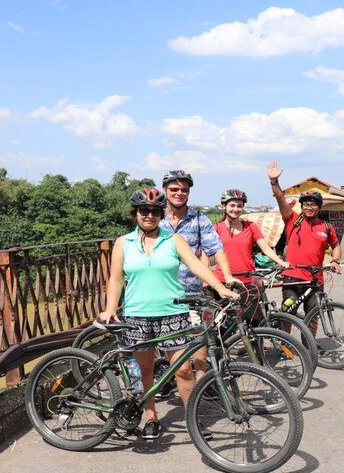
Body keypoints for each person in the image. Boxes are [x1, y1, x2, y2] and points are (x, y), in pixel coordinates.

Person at [99, 188, 239, 440]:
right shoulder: (123, 243)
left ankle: (191, 419)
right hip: (137, 315)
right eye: (144, 211)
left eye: (154, 211)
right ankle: (151, 416)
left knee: (183, 369)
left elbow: (196, 265)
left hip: (173, 313)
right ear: (135, 214)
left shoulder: (173, 240)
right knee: (146, 370)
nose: (149, 215)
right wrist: (110, 308)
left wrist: (219, 286)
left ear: (160, 214)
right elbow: (116, 278)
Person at [159, 169, 237, 381]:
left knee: (201, 340)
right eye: (174, 189)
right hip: (160, 293)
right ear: (165, 190)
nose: (179, 193)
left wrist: (227, 277)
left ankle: (202, 384)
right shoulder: (153, 217)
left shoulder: (199, 218)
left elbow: (216, 248)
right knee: (166, 346)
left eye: (184, 190)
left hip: (191, 292)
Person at [267, 161, 342, 337]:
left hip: (316, 278)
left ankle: (309, 346)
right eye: (306, 204)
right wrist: (274, 182)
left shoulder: (326, 227)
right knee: (288, 313)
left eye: (313, 204)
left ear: (319, 207)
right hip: (293, 277)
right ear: (302, 206)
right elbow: (280, 199)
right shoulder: (293, 220)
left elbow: (336, 245)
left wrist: (335, 260)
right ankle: (286, 343)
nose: (309, 207)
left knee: (313, 315)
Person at [214, 189, 290, 315]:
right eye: (232, 205)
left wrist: (281, 262)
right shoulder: (217, 228)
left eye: (239, 206)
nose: (236, 209)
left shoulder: (251, 226)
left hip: (248, 281)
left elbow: (266, 248)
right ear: (223, 206)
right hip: (223, 281)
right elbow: (206, 254)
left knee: (256, 320)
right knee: (226, 324)